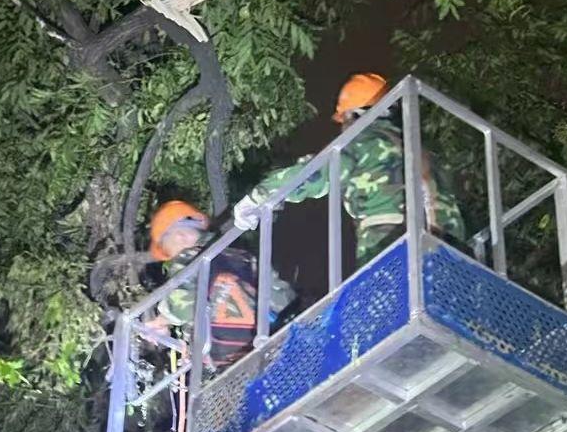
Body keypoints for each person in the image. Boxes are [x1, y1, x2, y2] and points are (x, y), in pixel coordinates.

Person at [234, 73, 465, 264]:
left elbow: (313, 175)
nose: (343, 127)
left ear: (356, 114)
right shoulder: (424, 150)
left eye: (344, 118)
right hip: (453, 253)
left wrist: (258, 197)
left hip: (391, 246)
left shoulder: (364, 143)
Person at [146, 200, 296, 369]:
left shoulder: (189, 258)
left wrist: (162, 321)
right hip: (277, 343)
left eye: (167, 250)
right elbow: (284, 297)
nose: (171, 256)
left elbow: (182, 307)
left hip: (235, 359)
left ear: (179, 236)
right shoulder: (245, 256)